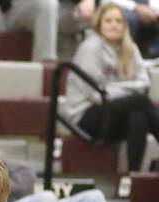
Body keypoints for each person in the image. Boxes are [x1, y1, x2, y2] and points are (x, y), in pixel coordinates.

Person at [66, 4, 159, 179]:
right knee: (141, 101)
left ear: (124, 25)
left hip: (113, 112)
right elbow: (95, 95)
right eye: (108, 20)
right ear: (99, 23)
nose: (114, 25)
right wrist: (126, 91)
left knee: (138, 116)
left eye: (118, 21)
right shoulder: (90, 47)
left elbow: (144, 81)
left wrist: (113, 90)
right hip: (85, 115)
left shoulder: (129, 47)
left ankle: (133, 177)